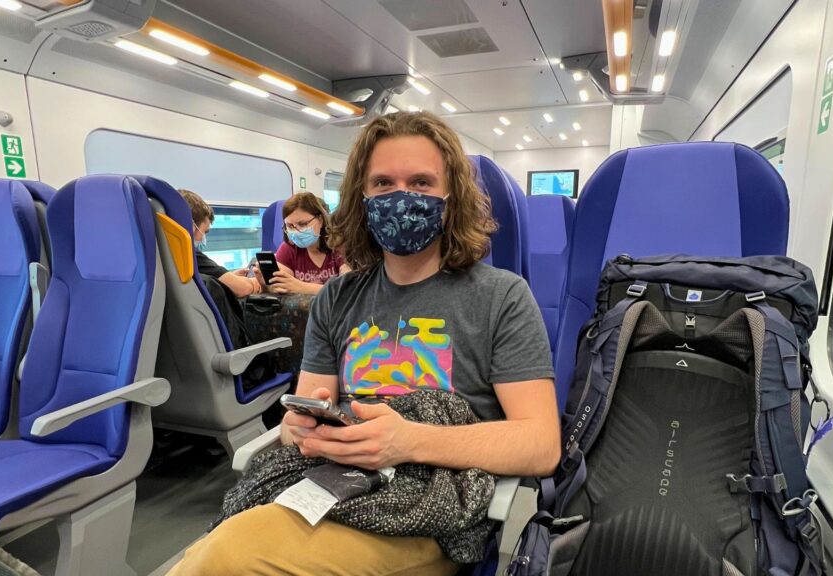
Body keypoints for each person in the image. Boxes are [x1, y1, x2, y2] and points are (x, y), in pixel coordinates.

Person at [169, 112, 560, 575]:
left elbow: (540, 443)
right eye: (383, 184)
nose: (401, 197)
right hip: (335, 481)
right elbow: (307, 410)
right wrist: (305, 427)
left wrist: (408, 440)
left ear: (450, 197)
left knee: (226, 557)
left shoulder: (501, 296)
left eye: (420, 182)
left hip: (427, 507)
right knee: (211, 553)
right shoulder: (338, 297)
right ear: (363, 197)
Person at [261, 192, 350, 295]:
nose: (296, 231)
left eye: (302, 224)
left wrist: (301, 287)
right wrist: (265, 284)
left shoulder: (339, 245)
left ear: (320, 220)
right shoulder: (288, 248)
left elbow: (347, 290)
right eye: (290, 226)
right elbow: (282, 286)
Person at [180, 189, 262, 299]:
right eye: (204, 232)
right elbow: (243, 289)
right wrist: (256, 282)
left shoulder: (164, 250)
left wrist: (228, 278)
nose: (203, 238)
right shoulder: (189, 254)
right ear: (192, 226)